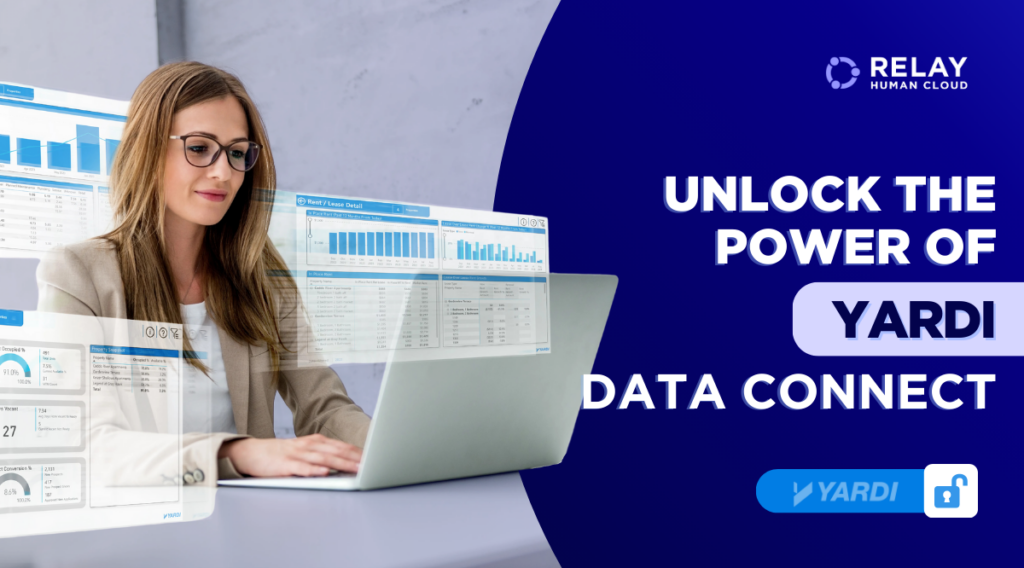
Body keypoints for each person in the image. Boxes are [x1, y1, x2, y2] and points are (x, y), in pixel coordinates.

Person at [37, 62, 369, 481]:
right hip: (141, 516)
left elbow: (324, 407)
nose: (223, 172)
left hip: (252, 513)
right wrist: (235, 452)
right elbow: (85, 440)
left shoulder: (262, 277)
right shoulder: (76, 274)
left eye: (237, 152)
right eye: (198, 148)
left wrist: (392, 447)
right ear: (147, 148)